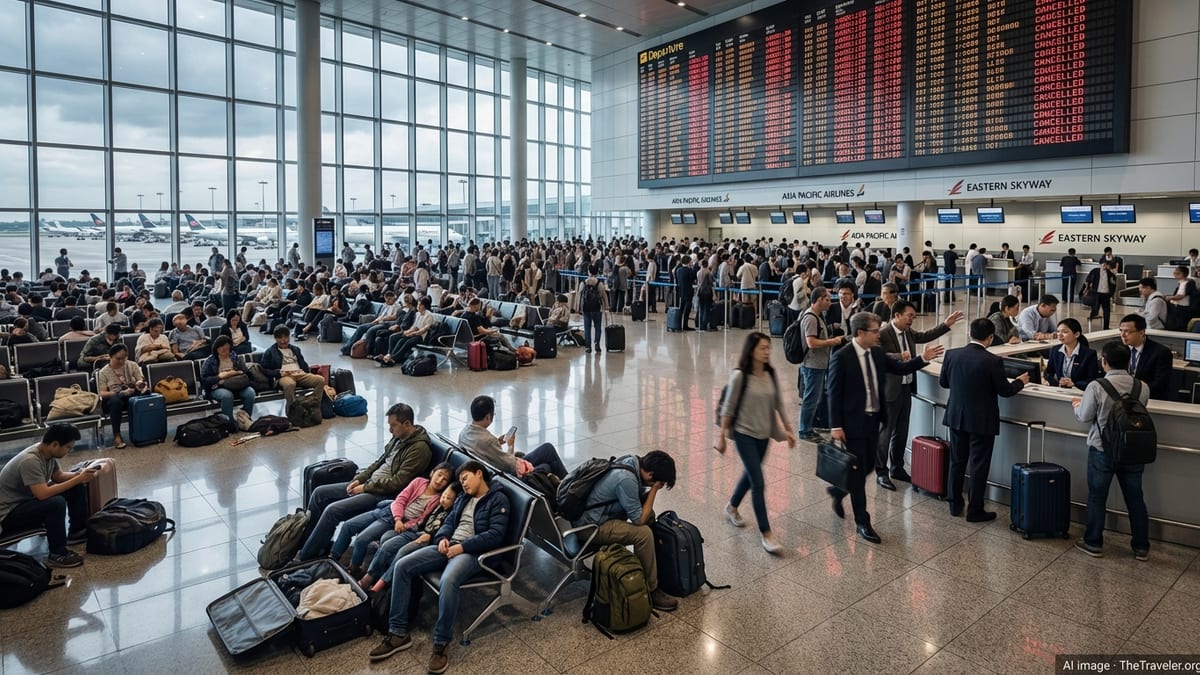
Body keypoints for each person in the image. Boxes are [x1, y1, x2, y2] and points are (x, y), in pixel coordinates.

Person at [370, 461, 508, 672]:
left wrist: (461, 547)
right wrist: (443, 537)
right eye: (460, 481)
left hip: (471, 553)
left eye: (465, 478)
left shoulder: (498, 499)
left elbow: (495, 536)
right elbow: (448, 522)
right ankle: (398, 633)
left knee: (448, 580)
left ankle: (441, 644)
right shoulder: (463, 497)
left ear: (479, 474)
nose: (462, 484)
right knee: (402, 566)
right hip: (448, 546)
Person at [826, 312, 941, 543]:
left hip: (874, 420)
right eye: (875, 331)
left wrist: (923, 358)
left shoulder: (877, 353)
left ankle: (838, 490)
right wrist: (835, 425)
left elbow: (899, 369)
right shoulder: (842, 357)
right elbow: (833, 393)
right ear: (860, 333)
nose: (879, 334)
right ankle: (863, 521)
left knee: (869, 466)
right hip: (852, 424)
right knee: (859, 474)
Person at [295, 403, 431, 562]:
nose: (390, 430)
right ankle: (312, 543)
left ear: (407, 424)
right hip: (371, 485)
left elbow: (398, 483)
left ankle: (305, 556)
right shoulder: (399, 438)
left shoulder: (419, 449)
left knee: (332, 510)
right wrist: (359, 479)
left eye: (393, 425)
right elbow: (379, 462)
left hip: (383, 494)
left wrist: (365, 487)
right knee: (319, 493)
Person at [939, 319, 1028, 521]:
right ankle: (975, 510)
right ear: (990, 338)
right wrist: (1019, 383)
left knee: (957, 461)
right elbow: (1005, 391)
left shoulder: (952, 354)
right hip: (982, 420)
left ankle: (954, 504)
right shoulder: (992, 361)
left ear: (970, 333)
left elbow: (944, 382)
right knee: (979, 465)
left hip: (956, 417)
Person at [570, 450, 680, 612]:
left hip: (591, 516)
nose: (660, 486)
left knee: (649, 516)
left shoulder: (631, 461)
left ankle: (654, 568)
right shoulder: (626, 479)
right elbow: (639, 520)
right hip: (590, 528)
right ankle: (651, 589)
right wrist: (654, 490)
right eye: (660, 483)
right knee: (644, 534)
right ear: (650, 475)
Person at [715, 332, 796, 553]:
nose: (767, 351)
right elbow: (728, 408)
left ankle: (732, 506)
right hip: (744, 434)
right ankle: (767, 534)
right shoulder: (740, 376)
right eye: (762, 348)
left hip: (763, 435)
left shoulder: (769, 374)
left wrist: (788, 430)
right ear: (751, 350)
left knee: (750, 476)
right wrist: (721, 436)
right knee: (758, 482)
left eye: (768, 347)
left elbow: (778, 403)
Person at [1071, 341, 1151, 561]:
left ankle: (1093, 542)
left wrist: (1077, 406)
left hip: (1102, 448)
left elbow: (1085, 416)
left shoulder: (1096, 386)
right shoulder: (1142, 386)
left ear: (1104, 361)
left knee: (1097, 496)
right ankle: (1141, 547)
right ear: (1129, 362)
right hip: (1133, 449)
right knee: (1135, 498)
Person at [876, 303, 961, 489]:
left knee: (902, 430)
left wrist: (946, 325)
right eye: (909, 316)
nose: (912, 319)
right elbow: (877, 356)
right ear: (897, 315)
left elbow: (924, 336)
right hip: (889, 391)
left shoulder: (908, 332)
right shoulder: (883, 333)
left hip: (906, 388)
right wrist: (901, 356)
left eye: (913, 316)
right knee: (885, 433)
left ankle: (897, 467)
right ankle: (881, 471)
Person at [332, 463, 452, 579]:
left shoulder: (439, 499)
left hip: (395, 523)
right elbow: (400, 499)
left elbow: (421, 520)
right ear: (432, 473)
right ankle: (332, 559)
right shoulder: (418, 482)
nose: (440, 480)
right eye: (439, 474)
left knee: (361, 539)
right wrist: (398, 518)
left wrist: (403, 524)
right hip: (389, 511)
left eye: (445, 479)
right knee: (348, 526)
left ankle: (353, 569)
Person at [0, 424, 95, 568]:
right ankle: (58, 554)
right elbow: (42, 494)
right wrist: (78, 478)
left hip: (25, 501)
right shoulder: (30, 460)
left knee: (75, 485)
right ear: (55, 444)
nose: (69, 451)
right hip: (8, 514)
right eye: (68, 447)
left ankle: (76, 531)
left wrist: (78, 475)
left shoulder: (46, 452)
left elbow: (58, 476)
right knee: (55, 504)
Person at [361, 481, 459, 592]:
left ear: (456, 501)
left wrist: (429, 535)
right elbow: (423, 520)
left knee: (402, 552)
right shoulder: (438, 505)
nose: (444, 500)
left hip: (427, 539)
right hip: (415, 532)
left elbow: (443, 530)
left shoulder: (452, 513)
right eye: (444, 495)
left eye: (449, 498)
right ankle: (370, 576)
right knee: (387, 544)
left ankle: (381, 583)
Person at [458, 395, 568, 478]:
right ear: (487, 417)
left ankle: (566, 485)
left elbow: (482, 449)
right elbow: (509, 465)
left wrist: (497, 442)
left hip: (488, 469)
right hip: (509, 477)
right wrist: (511, 445)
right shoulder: (488, 440)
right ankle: (569, 483)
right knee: (547, 454)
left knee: (547, 459)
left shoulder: (463, 433)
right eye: (493, 414)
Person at [797, 287, 844, 441]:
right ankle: (804, 430)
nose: (830, 303)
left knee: (814, 398)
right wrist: (832, 341)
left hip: (819, 364)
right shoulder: (810, 317)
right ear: (818, 300)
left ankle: (808, 427)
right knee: (810, 398)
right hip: (813, 365)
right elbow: (811, 342)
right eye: (827, 299)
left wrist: (831, 329)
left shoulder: (818, 316)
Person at [96, 344, 149, 449]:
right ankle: (117, 434)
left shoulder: (132, 365)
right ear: (110, 357)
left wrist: (139, 384)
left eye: (124, 358)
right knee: (116, 402)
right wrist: (119, 393)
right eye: (118, 358)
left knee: (147, 394)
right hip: (114, 399)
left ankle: (144, 430)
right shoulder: (103, 372)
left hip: (131, 395)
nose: (121, 361)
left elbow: (140, 379)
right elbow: (101, 393)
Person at [259, 326, 326, 405]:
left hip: (299, 374)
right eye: (280, 338)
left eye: (286, 337)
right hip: (284, 376)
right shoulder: (270, 352)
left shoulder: (295, 349)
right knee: (290, 384)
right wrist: (278, 373)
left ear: (289, 337)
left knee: (320, 380)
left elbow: (304, 365)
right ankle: (293, 411)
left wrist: (306, 371)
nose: (284, 341)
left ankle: (313, 405)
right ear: (276, 338)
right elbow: (265, 369)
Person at [199, 336, 256, 420]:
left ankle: (245, 418)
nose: (224, 351)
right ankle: (229, 421)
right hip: (216, 387)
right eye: (221, 348)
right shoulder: (211, 361)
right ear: (216, 348)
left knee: (250, 393)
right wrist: (219, 377)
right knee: (227, 396)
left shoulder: (235, 357)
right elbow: (204, 380)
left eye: (226, 349)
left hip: (236, 385)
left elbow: (246, 373)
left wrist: (234, 373)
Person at [1119, 314, 1174, 401]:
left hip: (1149, 400)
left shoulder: (1160, 352)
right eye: (1121, 330)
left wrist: (1134, 392)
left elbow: (1160, 383)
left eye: (1127, 331)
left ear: (1141, 332)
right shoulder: (1117, 348)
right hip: (1120, 399)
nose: (1122, 335)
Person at [1046, 318, 1100, 391]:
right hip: (1059, 391)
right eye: (1058, 331)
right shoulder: (1055, 350)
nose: (1060, 335)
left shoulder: (1089, 354)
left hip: (1080, 392)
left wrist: (1074, 383)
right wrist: (1056, 383)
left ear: (1076, 334)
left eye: (1065, 332)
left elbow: (1092, 381)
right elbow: (1049, 373)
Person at [578, 264, 609, 353]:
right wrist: (606, 306)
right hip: (596, 308)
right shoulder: (599, 283)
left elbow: (579, 295)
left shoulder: (584, 282)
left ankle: (588, 346)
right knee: (598, 327)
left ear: (589, 272)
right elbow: (603, 295)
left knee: (587, 327)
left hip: (586, 308)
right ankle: (597, 344)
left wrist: (578, 307)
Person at [1083, 259, 1117, 329]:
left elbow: (1113, 283)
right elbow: (1088, 280)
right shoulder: (1095, 271)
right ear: (1100, 264)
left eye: (1106, 265)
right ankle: (1091, 321)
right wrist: (1086, 289)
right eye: (1103, 264)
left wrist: (1111, 294)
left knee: (1107, 311)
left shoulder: (1110, 273)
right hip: (1096, 294)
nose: (1105, 266)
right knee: (1095, 308)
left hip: (1106, 294)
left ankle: (1106, 327)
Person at [675, 254, 696, 331]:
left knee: (681, 309)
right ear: (688, 262)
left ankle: (678, 325)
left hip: (681, 292)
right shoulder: (689, 271)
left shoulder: (679, 270)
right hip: (688, 292)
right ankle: (685, 325)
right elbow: (694, 277)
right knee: (687, 310)